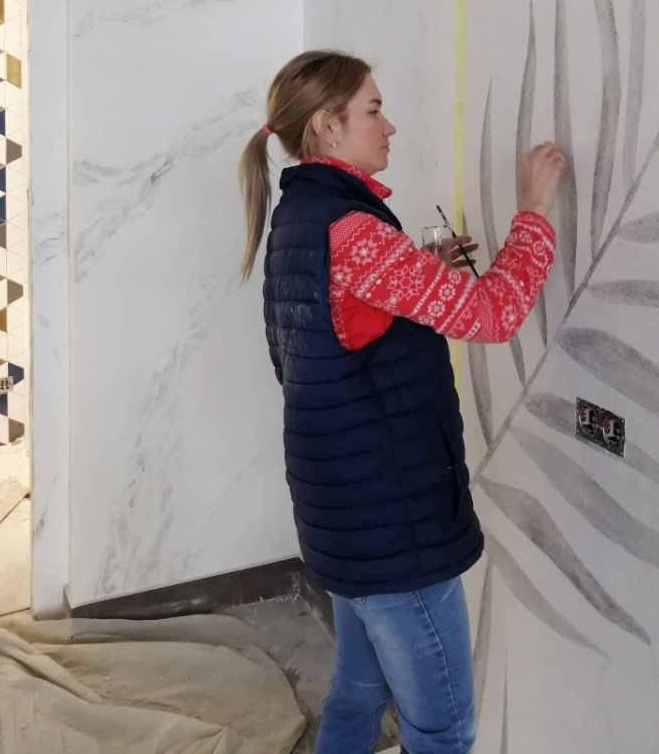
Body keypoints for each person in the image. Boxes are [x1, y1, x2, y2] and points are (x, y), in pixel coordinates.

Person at [238, 50, 566, 754]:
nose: (390, 126)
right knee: (443, 730)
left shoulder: (299, 218)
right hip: (395, 529)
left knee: (359, 692)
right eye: (374, 110)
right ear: (327, 126)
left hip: (341, 519)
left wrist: (423, 274)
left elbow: (306, 351)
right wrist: (534, 213)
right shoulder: (353, 230)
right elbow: (492, 315)